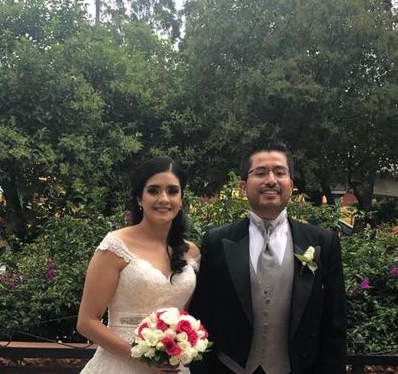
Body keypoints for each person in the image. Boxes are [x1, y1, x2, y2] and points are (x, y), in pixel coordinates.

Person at [190, 143, 347, 374]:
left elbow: (334, 323)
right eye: (261, 173)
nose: (271, 180)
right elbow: (203, 315)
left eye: (280, 172)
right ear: (243, 187)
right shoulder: (217, 241)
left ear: (291, 186)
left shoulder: (323, 242)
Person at [77, 157, 200, 374]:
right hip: (120, 364)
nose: (164, 198)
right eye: (153, 191)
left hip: (172, 367)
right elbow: (87, 322)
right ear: (139, 198)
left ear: (181, 199)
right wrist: (140, 357)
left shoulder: (191, 252)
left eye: (172, 191)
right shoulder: (115, 247)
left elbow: (187, 315)